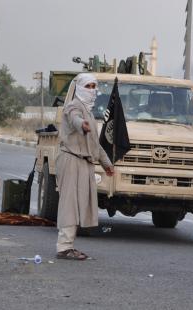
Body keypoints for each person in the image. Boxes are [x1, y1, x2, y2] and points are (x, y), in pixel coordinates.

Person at [55, 73, 114, 260]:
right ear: (79, 88)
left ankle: (68, 244)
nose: (91, 90)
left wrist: (107, 164)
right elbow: (74, 118)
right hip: (71, 160)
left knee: (81, 204)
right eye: (87, 86)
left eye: (93, 86)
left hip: (84, 162)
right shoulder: (73, 106)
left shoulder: (88, 111)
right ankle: (63, 247)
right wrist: (82, 125)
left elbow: (95, 144)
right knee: (69, 204)